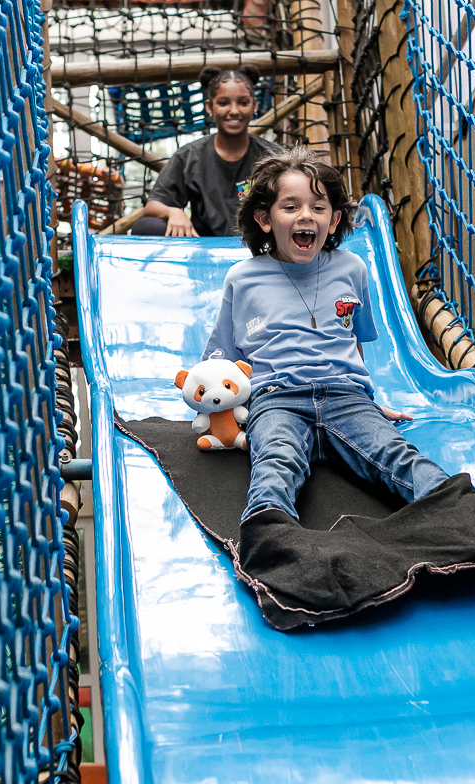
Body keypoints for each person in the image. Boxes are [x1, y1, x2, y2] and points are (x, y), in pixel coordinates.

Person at [199, 147, 451, 526]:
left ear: (333, 221)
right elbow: (221, 363)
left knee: (393, 454)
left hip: (344, 396)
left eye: (318, 208)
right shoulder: (243, 278)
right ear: (265, 219)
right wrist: (222, 417)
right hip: (276, 398)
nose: (306, 216)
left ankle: (458, 509)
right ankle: (271, 531)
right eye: (291, 207)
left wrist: (367, 399)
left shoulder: (352, 268)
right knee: (275, 459)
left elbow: (355, 345)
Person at [134, 66, 282, 238]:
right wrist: (173, 212)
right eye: (223, 103)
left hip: (261, 246)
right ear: (209, 107)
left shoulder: (275, 156)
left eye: (243, 103)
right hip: (204, 249)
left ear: (254, 105)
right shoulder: (190, 156)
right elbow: (153, 205)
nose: (234, 111)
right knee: (146, 226)